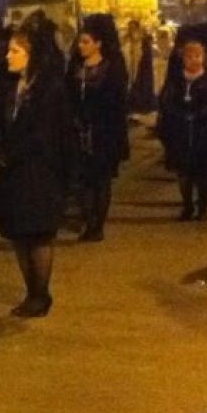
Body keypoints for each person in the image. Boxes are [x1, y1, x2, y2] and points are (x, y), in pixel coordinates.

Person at [0, 17, 74, 316]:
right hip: (13, 174)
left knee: (37, 234)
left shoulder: (48, 90)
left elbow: (46, 134)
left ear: (31, 55)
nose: (8, 56)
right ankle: (30, 290)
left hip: (38, 174)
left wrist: (14, 152)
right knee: (18, 234)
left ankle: (40, 293)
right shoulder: (12, 86)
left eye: (15, 51)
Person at [157, 27, 207, 221]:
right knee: (184, 173)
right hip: (181, 133)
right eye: (189, 56)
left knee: (202, 172)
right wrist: (178, 115)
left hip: (203, 134)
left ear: (204, 57)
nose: (193, 60)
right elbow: (167, 101)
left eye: (197, 55)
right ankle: (187, 204)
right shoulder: (176, 81)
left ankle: (203, 205)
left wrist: (199, 115)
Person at [67, 14, 129, 242]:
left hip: (104, 132)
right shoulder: (75, 67)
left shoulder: (112, 67)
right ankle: (87, 219)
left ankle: (97, 225)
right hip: (79, 131)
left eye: (86, 42)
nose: (81, 47)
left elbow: (117, 101)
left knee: (101, 180)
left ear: (98, 43)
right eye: (80, 42)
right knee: (82, 180)